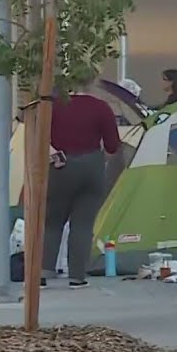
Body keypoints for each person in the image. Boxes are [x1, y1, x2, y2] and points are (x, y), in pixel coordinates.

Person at [42, 84, 122, 288]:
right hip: (92, 167)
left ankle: (43, 272)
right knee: (83, 225)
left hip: (61, 166)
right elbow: (113, 144)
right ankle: (77, 276)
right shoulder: (101, 107)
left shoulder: (53, 107)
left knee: (52, 221)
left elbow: (39, 136)